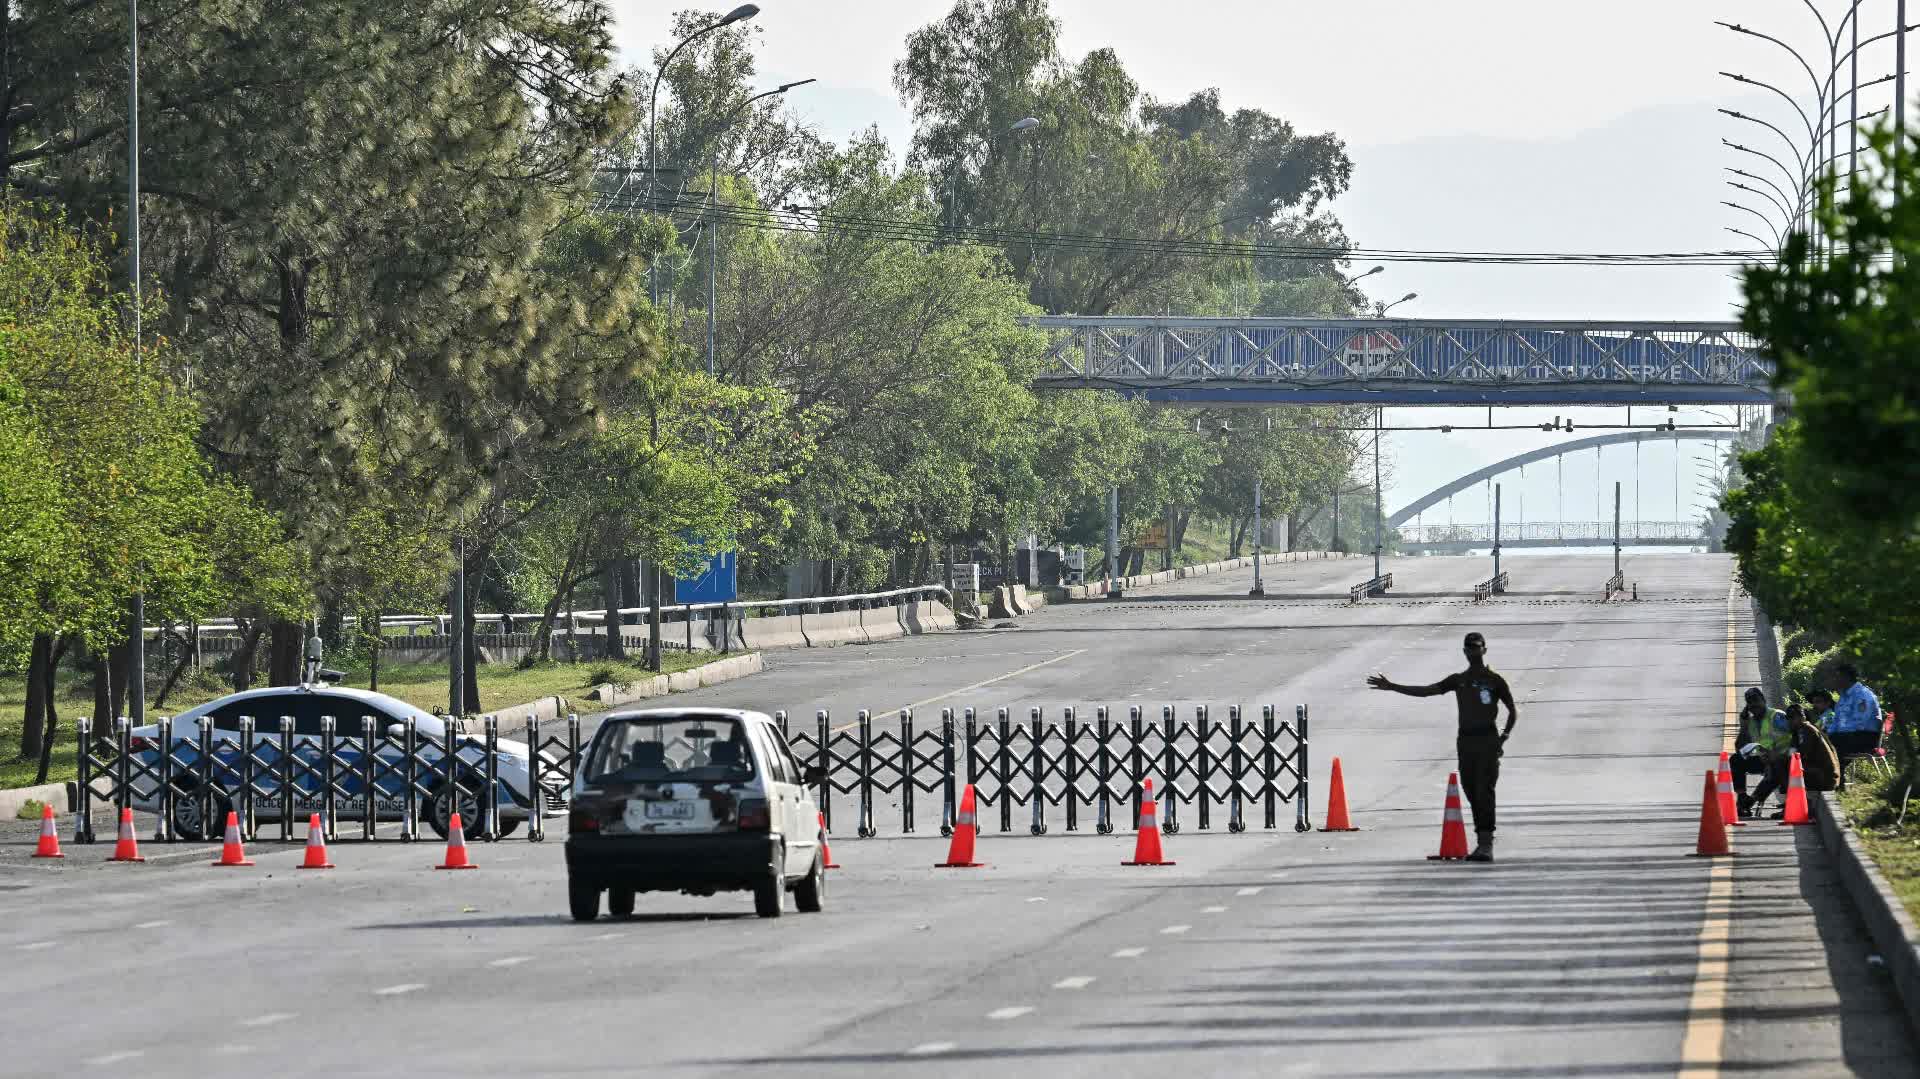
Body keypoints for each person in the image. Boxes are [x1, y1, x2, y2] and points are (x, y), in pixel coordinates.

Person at [1367, 631, 1517, 863]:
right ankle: (1482, 839)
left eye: (1477, 647)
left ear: (1484, 650)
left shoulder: (1495, 680)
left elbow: (1512, 711)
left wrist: (1503, 737)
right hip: (1465, 741)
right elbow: (1427, 691)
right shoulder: (1458, 680)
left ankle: (1485, 843)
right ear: (1464, 652)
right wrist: (1393, 686)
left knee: (1484, 791)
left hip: (1487, 740)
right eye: (1469, 648)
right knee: (1470, 789)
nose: (1473, 651)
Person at [1748, 706, 1840, 815]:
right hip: (1816, 772)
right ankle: (1753, 799)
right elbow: (1792, 754)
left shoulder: (1807, 730)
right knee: (1777, 764)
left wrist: (1777, 757)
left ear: (1802, 717)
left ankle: (1791, 805)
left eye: (1794, 718)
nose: (1790, 721)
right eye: (1789, 718)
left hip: (1825, 777)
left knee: (1782, 765)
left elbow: (1800, 756)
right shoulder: (1797, 732)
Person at [1731, 688, 1791, 809]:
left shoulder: (1777, 716)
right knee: (1736, 759)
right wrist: (1743, 727)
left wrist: (1776, 755)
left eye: (1756, 700)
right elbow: (1740, 749)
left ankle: (1753, 799)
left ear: (1763, 700)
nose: (1754, 705)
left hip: (1784, 758)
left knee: (1775, 768)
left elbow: (1793, 735)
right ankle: (1742, 797)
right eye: (1750, 702)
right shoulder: (1751, 722)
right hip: (1764, 758)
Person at [1824, 663, 1884, 759]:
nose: (1834, 679)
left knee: (1830, 744)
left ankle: (1834, 768)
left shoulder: (1862, 695)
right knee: (1821, 741)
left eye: (1837, 676)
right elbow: (1836, 721)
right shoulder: (1842, 697)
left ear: (1846, 677)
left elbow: (1860, 723)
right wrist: (1827, 735)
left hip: (1865, 737)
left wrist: (1836, 735)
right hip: (1845, 736)